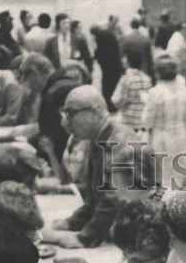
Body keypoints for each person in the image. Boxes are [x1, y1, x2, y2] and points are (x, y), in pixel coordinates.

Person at [44, 86, 130, 248]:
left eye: (71, 113)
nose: (66, 121)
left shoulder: (118, 141)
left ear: (95, 112)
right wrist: (74, 222)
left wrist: (85, 238)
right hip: (114, 230)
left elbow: (113, 199)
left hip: (129, 235)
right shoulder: (97, 138)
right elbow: (94, 196)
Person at [33, 60, 90, 176]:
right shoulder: (72, 138)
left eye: (78, 78)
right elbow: (64, 177)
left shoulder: (87, 140)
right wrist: (50, 153)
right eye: (61, 112)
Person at [143, 55, 186, 166]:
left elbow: (148, 120)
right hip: (181, 135)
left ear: (158, 73)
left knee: (162, 172)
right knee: (178, 171)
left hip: (161, 136)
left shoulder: (155, 92)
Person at [114, 46, 153, 135]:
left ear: (128, 60)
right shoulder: (147, 79)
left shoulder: (126, 79)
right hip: (143, 121)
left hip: (128, 121)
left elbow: (116, 100)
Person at [89, 23, 122, 111]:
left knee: (107, 84)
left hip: (108, 65)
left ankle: (108, 104)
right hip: (114, 63)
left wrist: (96, 57)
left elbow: (99, 50)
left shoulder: (100, 35)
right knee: (112, 83)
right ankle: (111, 103)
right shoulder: (107, 33)